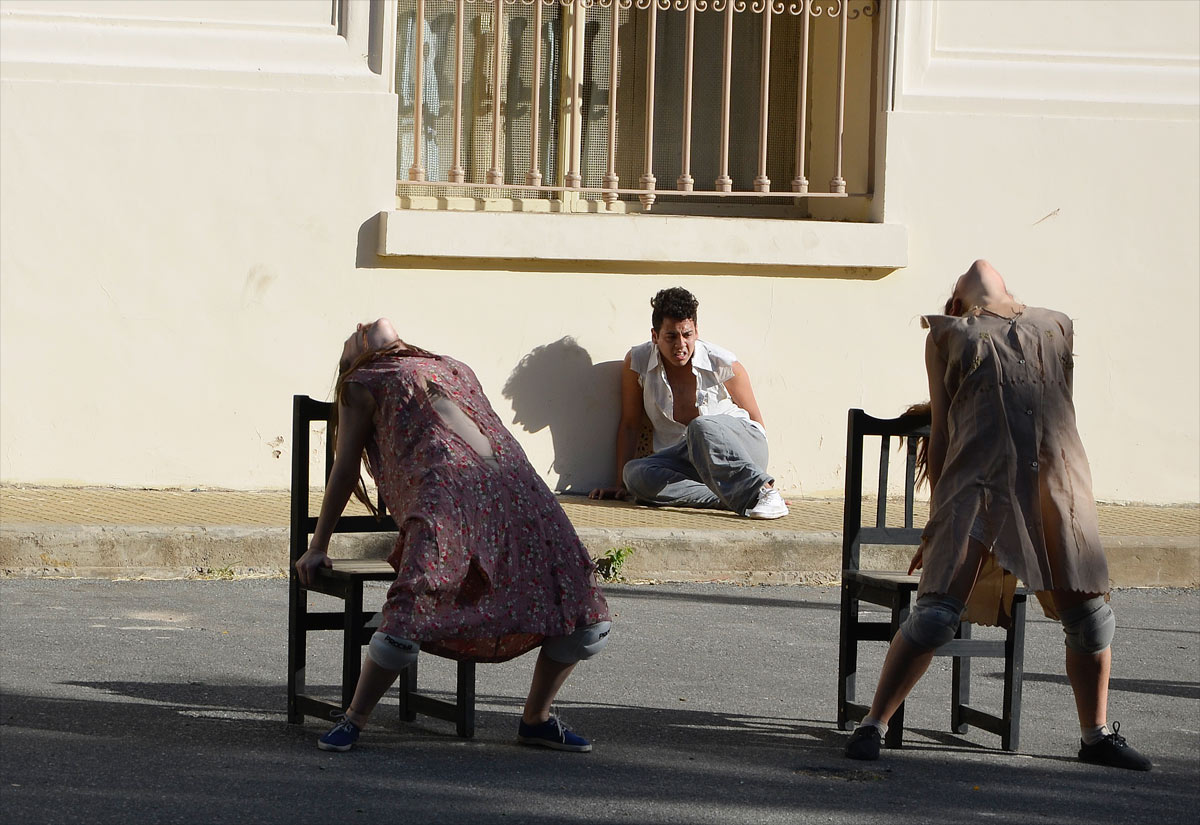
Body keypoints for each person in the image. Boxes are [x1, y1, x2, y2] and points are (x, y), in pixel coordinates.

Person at [843, 260, 1151, 771]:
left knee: (1093, 622)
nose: (974, 268)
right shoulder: (946, 336)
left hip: (1053, 486)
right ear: (957, 303)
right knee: (936, 617)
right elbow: (941, 433)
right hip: (976, 490)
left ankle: (1095, 736)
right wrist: (938, 519)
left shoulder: (1054, 326)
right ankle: (873, 723)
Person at [295, 318, 611, 753]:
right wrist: (318, 546)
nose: (360, 323)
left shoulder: (450, 366)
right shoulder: (361, 382)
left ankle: (536, 719)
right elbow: (345, 467)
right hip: (444, 497)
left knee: (582, 604)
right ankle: (354, 718)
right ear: (352, 359)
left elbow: (481, 435)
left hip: (517, 492)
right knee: (414, 602)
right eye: (352, 336)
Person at [589, 287, 788, 519]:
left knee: (701, 426)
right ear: (655, 336)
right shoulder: (637, 361)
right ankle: (737, 497)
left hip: (739, 450)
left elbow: (756, 425)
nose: (680, 345)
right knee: (634, 474)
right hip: (687, 459)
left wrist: (751, 469)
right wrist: (619, 485)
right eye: (671, 336)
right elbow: (630, 424)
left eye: (687, 334)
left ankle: (763, 491)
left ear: (696, 331)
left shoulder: (722, 363)